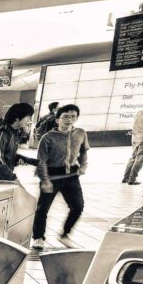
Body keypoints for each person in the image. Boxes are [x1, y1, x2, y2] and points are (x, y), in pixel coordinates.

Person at [31, 104, 89, 249]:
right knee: (43, 209)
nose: (69, 120)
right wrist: (45, 180)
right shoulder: (47, 138)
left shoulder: (80, 133)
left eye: (72, 117)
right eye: (65, 117)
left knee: (78, 206)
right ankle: (38, 237)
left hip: (71, 176)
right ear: (57, 120)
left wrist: (83, 165)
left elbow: (84, 151)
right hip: (52, 176)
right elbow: (41, 160)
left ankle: (65, 235)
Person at [0, 103, 35, 181]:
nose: (29, 121)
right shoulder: (1, 134)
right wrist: (13, 178)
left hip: (2, 178)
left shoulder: (13, 133)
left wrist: (30, 161)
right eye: (28, 117)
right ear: (17, 118)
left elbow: (8, 154)